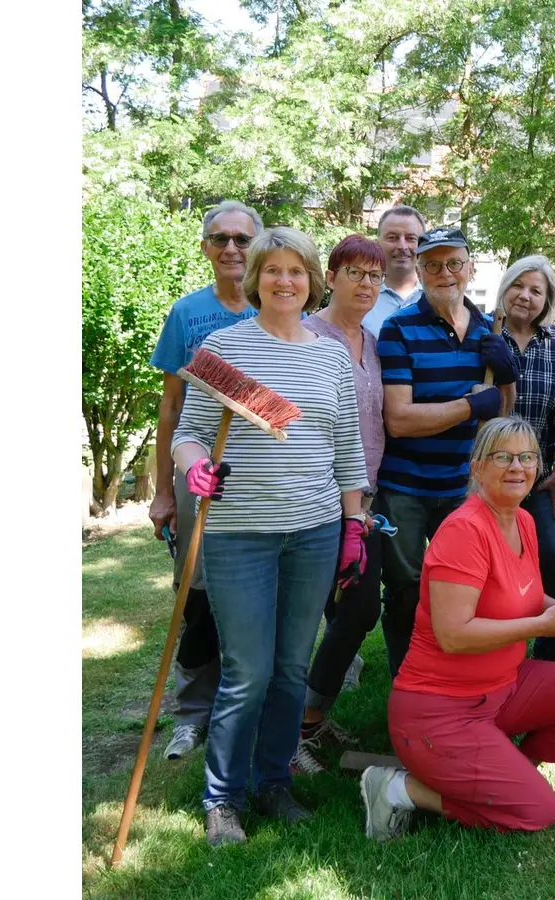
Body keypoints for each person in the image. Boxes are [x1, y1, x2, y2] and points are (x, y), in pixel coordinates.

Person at [170, 227, 369, 847]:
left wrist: (354, 524)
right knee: (247, 670)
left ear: (312, 280)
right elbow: (188, 433)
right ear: (254, 278)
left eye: (297, 271)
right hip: (238, 535)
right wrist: (194, 467)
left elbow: (346, 448)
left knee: (290, 667)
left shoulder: (330, 356)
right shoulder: (222, 349)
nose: (285, 281)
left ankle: (272, 781)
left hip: (312, 533)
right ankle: (221, 799)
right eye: (273, 270)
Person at [358, 417, 555, 839]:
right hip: (437, 711)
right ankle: (396, 788)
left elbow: (528, 598)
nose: (518, 467)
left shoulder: (524, 521)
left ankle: (509, 777)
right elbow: (453, 635)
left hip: (502, 688)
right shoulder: (463, 530)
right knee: (539, 812)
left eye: (527, 457)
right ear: (476, 467)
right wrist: (539, 625)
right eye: (503, 457)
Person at [147, 199, 264, 761]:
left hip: (266, 479)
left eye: (243, 239)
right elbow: (170, 409)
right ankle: (193, 712)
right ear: (205, 248)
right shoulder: (187, 313)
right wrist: (164, 489)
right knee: (196, 593)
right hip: (201, 476)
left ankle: (254, 707)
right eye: (220, 239)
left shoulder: (282, 309)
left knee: (261, 593)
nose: (232, 249)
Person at [376, 226, 518, 682]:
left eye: (454, 263)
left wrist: (508, 375)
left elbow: (498, 414)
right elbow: (398, 418)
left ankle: (460, 677)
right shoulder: (397, 330)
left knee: (466, 588)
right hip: (405, 488)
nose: (445, 273)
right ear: (418, 271)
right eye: (433, 265)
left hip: (463, 487)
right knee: (404, 590)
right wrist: (467, 406)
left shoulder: (487, 331)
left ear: (470, 268)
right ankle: (409, 681)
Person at [289, 235, 391, 774]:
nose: (366, 284)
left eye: (375, 275)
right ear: (331, 276)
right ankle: (293, 730)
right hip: (312, 499)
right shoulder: (307, 335)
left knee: (356, 610)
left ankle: (308, 720)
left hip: (363, 500)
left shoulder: (370, 343)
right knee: (325, 614)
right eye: (355, 272)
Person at [493, 255, 555, 662]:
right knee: (491, 559)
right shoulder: (485, 333)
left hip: (537, 474)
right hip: (488, 475)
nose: (525, 296)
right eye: (518, 286)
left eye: (536, 291)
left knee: (552, 555)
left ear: (547, 301)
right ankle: (495, 641)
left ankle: (548, 642)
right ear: (505, 288)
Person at [363, 205, 427, 332]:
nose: (402, 246)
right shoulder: (361, 296)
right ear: (377, 243)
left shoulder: (437, 296)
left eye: (411, 238)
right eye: (392, 238)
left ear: (423, 245)